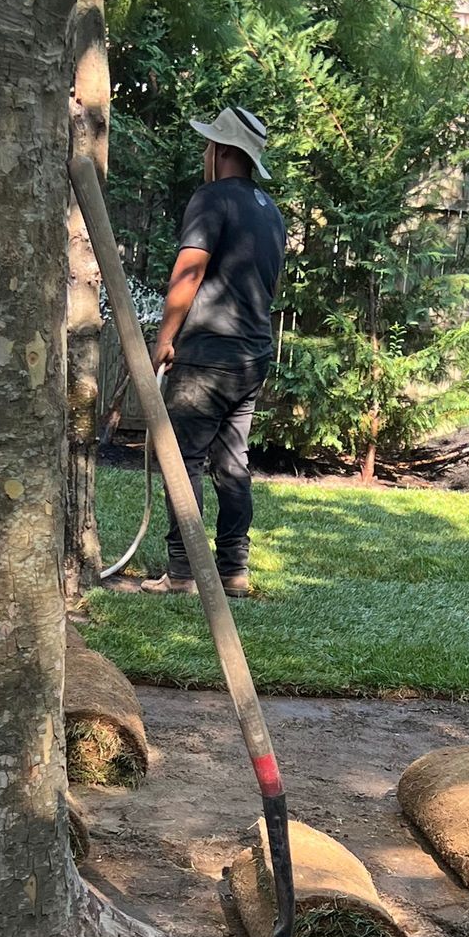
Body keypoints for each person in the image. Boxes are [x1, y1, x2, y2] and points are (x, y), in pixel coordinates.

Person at [130, 104, 285, 598]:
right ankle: (233, 570)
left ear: (219, 150)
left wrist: (164, 338)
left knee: (183, 459)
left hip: (208, 356)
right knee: (233, 461)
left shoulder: (211, 198)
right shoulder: (270, 213)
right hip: (252, 355)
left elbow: (190, 271)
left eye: (208, 144)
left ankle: (183, 572)